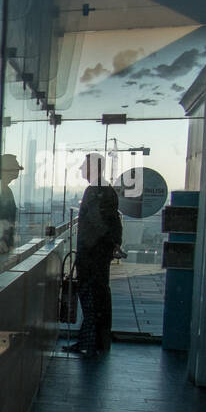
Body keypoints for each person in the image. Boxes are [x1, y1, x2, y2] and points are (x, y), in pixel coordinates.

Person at [64, 153, 122, 358]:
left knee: (90, 299)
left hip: (92, 257)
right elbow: (112, 223)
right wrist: (113, 244)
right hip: (98, 255)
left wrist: (86, 252)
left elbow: (97, 225)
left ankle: (89, 343)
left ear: (92, 168)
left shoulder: (95, 191)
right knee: (98, 299)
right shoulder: (107, 190)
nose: (81, 169)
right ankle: (94, 342)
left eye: (84, 165)